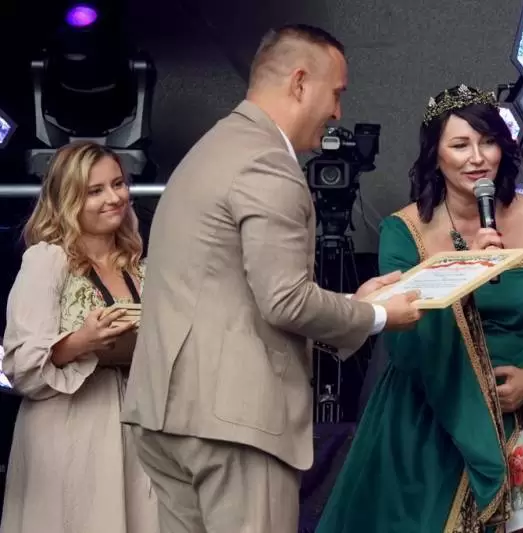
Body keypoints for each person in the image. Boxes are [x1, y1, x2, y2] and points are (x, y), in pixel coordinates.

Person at [120, 24, 422, 533]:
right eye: (337, 93)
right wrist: (376, 315)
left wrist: (351, 300)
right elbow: (284, 300)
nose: (338, 112)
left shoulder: (212, 148)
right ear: (300, 82)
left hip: (165, 413)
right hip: (235, 424)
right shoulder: (268, 163)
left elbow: (232, 287)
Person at [316, 84, 523, 533]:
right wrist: (467, 269)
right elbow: (406, 343)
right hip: (431, 411)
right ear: (434, 155)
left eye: (488, 142)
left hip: (516, 403)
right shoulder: (404, 230)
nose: (477, 158)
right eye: (460, 145)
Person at [1, 141, 157, 533]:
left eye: (118, 184)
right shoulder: (47, 260)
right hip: (70, 435)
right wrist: (82, 342)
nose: (114, 198)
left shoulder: (140, 268)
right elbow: (19, 365)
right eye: (95, 191)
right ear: (68, 200)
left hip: (134, 433)